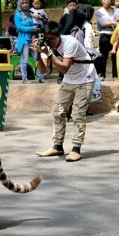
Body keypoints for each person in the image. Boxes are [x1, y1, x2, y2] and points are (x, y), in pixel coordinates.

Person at [34, 21, 96, 162]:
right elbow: (42, 70)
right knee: (58, 112)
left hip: (85, 78)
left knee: (77, 114)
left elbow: (64, 68)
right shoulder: (46, 46)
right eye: (47, 38)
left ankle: (76, 149)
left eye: (52, 39)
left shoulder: (70, 42)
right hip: (69, 80)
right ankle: (57, 146)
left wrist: (49, 55)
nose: (50, 42)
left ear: (58, 35)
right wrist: (38, 54)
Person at [14, 0, 43, 83]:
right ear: (20, 4)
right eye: (23, 3)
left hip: (33, 39)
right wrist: (32, 29)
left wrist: (36, 29)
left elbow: (34, 24)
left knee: (37, 58)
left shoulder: (30, 14)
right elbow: (19, 28)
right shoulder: (17, 15)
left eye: (26, 3)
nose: (25, 5)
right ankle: (24, 78)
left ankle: (40, 77)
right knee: (24, 59)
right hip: (24, 41)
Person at [95, 0, 117, 81]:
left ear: (111, 0)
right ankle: (102, 74)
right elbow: (102, 24)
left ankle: (115, 75)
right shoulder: (99, 12)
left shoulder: (115, 11)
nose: (106, 1)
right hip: (104, 36)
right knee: (103, 56)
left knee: (115, 55)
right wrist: (113, 22)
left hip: (115, 35)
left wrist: (112, 22)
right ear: (101, 1)